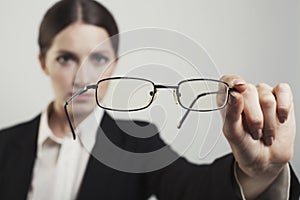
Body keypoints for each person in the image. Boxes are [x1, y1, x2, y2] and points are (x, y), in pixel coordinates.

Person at [0, 0, 299, 199]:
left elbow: (194, 190)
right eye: (66, 58)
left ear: (114, 65)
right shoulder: (4, 146)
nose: (82, 76)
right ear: (43, 62)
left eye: (98, 58)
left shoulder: (139, 142)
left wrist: (258, 173)